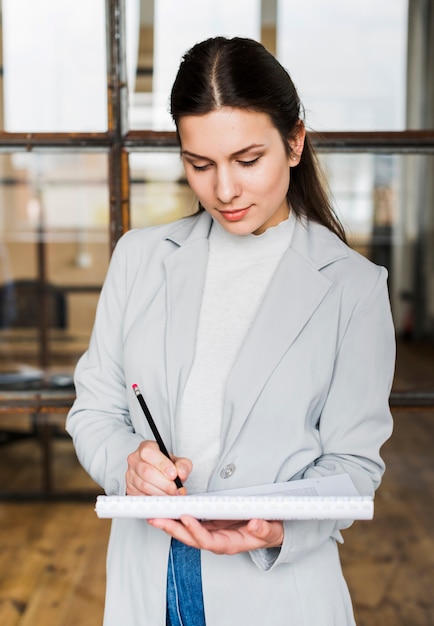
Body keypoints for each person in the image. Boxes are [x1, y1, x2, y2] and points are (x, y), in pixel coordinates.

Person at [66, 36, 395, 626]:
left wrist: (278, 526)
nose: (224, 190)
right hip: (149, 579)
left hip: (276, 591)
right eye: (200, 164)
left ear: (294, 142)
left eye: (247, 161)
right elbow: (94, 410)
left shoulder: (354, 287)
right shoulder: (140, 258)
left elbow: (354, 465)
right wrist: (128, 465)